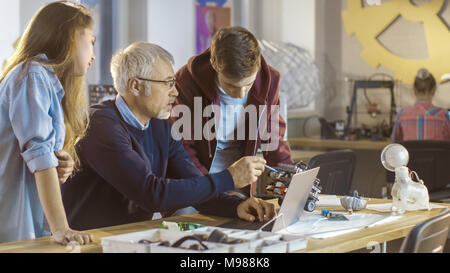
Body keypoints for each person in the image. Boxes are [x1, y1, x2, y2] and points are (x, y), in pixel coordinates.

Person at [61, 42, 274, 231]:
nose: (175, 92)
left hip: (131, 239)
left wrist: (235, 206)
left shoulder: (161, 124)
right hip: (89, 244)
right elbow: (150, 194)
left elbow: (193, 184)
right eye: (167, 83)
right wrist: (229, 178)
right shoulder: (100, 124)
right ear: (135, 86)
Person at [0, 1, 95, 244]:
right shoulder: (33, 74)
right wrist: (62, 228)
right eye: (91, 41)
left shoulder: (44, 79)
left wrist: (57, 165)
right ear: (71, 35)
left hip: (26, 221)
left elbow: (40, 158)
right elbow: (39, 155)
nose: (93, 55)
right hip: (13, 224)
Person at [172, 26, 293, 193]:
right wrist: (208, 189)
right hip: (195, 183)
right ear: (214, 64)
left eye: (248, 85)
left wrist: (290, 185)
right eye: (231, 86)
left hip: (240, 184)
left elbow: (273, 141)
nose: (240, 94)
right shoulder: (186, 81)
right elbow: (183, 149)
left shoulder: (269, 81)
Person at [391, 68, 450, 141]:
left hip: (411, 152)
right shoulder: (442, 115)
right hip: (434, 153)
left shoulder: (402, 114)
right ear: (434, 90)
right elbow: (448, 143)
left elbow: (395, 141)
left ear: (414, 90)